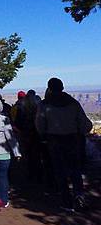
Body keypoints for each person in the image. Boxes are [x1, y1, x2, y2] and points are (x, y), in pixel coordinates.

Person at [36, 78, 92, 211]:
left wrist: (43, 135)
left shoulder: (44, 105)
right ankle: (79, 196)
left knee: (59, 171)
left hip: (54, 141)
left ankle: (67, 202)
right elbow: (85, 124)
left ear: (49, 88)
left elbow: (39, 124)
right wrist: (80, 133)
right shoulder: (73, 103)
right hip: (72, 140)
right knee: (75, 170)